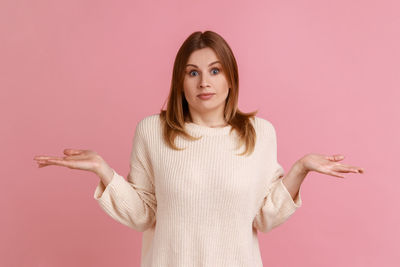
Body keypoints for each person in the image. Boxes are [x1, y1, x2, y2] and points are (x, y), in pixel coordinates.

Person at [33, 30, 364, 267]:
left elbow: (264, 217)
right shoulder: (152, 131)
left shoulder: (260, 134)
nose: (204, 82)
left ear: (230, 78)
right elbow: (143, 215)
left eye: (214, 71)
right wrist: (104, 171)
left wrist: (300, 169)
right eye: (193, 72)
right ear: (180, 81)